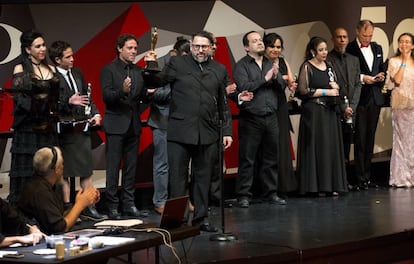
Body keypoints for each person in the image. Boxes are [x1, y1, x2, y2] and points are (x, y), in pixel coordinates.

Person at [144, 30, 233, 232]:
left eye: (204, 46)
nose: (199, 50)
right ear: (191, 46)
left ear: (211, 47)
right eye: (196, 46)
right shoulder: (177, 64)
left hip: (208, 131)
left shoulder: (219, 69)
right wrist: (150, 65)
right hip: (179, 130)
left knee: (203, 178)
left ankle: (201, 219)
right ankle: (178, 221)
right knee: (178, 178)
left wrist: (227, 130)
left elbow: (222, 103)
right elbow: (156, 82)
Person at [49, 40, 106, 220]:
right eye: (68, 57)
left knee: (86, 169)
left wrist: (96, 113)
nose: (73, 59)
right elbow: (50, 104)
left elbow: (85, 97)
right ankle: (67, 208)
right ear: (58, 60)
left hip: (82, 128)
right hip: (64, 131)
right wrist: (67, 101)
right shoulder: (52, 78)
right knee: (64, 172)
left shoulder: (77, 72)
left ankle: (89, 206)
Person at [232, 31, 286, 208]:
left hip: (271, 116)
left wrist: (277, 77)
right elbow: (244, 87)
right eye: (255, 41)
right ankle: (243, 195)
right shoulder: (241, 66)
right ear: (247, 47)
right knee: (248, 158)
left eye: (260, 40)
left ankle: (270, 193)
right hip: (251, 117)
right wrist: (265, 79)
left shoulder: (271, 63)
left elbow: (281, 86)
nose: (260, 43)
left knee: (271, 157)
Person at [8, 30, 59, 205]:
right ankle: (24, 213)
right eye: (38, 46)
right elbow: (21, 100)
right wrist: (39, 109)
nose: (43, 49)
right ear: (28, 50)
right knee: (28, 172)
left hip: (48, 130)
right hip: (28, 130)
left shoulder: (51, 69)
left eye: (43, 45)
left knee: (48, 170)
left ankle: (46, 210)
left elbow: (58, 97)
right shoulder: (20, 69)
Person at [100, 34, 148, 219]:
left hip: (133, 125)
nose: (134, 52)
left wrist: (148, 92)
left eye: (135, 48)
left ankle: (129, 204)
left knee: (131, 167)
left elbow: (141, 96)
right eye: (130, 48)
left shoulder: (138, 70)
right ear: (119, 48)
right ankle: (112, 206)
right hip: (115, 125)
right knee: (113, 168)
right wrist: (122, 91)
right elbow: (107, 96)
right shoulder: (109, 69)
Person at [296, 36, 348, 196]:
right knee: (316, 148)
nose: (324, 52)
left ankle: (331, 185)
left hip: (330, 112)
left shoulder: (330, 66)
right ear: (313, 51)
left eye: (325, 49)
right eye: (321, 50)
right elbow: (302, 91)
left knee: (329, 148)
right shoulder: (307, 66)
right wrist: (327, 91)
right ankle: (315, 186)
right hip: (314, 112)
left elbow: (339, 89)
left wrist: (336, 87)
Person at [147, 37, 190, 214]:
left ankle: (181, 201)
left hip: (182, 121)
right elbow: (153, 93)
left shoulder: (188, 66)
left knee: (181, 164)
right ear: (175, 53)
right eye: (184, 56)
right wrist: (177, 92)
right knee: (162, 163)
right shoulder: (159, 64)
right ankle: (160, 201)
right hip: (162, 120)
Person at [18, 146, 100, 234]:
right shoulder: (39, 191)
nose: (63, 168)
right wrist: (80, 204)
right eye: (62, 164)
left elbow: (58, 217)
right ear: (57, 169)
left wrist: (83, 201)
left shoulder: (49, 185)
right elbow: (60, 228)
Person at [346, 20, 386, 190]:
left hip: (375, 99)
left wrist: (381, 76)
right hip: (360, 98)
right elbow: (349, 73)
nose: (368, 38)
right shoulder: (350, 49)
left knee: (370, 139)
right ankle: (359, 178)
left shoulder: (377, 48)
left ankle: (368, 177)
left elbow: (380, 67)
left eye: (370, 35)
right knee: (360, 140)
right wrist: (363, 78)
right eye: (364, 35)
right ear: (357, 32)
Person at [327, 28, 362, 190]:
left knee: (348, 146)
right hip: (334, 110)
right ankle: (337, 182)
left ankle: (346, 181)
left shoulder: (354, 60)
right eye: (339, 37)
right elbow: (329, 85)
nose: (342, 40)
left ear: (348, 39)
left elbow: (357, 85)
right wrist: (343, 107)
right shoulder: (328, 59)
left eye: (344, 37)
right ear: (333, 39)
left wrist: (351, 107)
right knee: (335, 148)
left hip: (351, 111)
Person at [263, 32, 297, 194]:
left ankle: (284, 185)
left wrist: (291, 84)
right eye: (272, 46)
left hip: (281, 106)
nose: (276, 50)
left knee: (282, 143)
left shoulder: (283, 61)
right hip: (266, 105)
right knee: (269, 145)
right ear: (265, 47)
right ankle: (269, 186)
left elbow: (290, 81)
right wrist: (281, 78)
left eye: (278, 47)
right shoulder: (261, 62)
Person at [384, 33, 414, 187]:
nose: (404, 44)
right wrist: (403, 61)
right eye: (401, 41)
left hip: (413, 105)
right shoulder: (394, 61)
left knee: (412, 142)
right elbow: (397, 80)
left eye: (407, 42)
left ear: (412, 45)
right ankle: (401, 178)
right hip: (400, 106)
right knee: (401, 142)